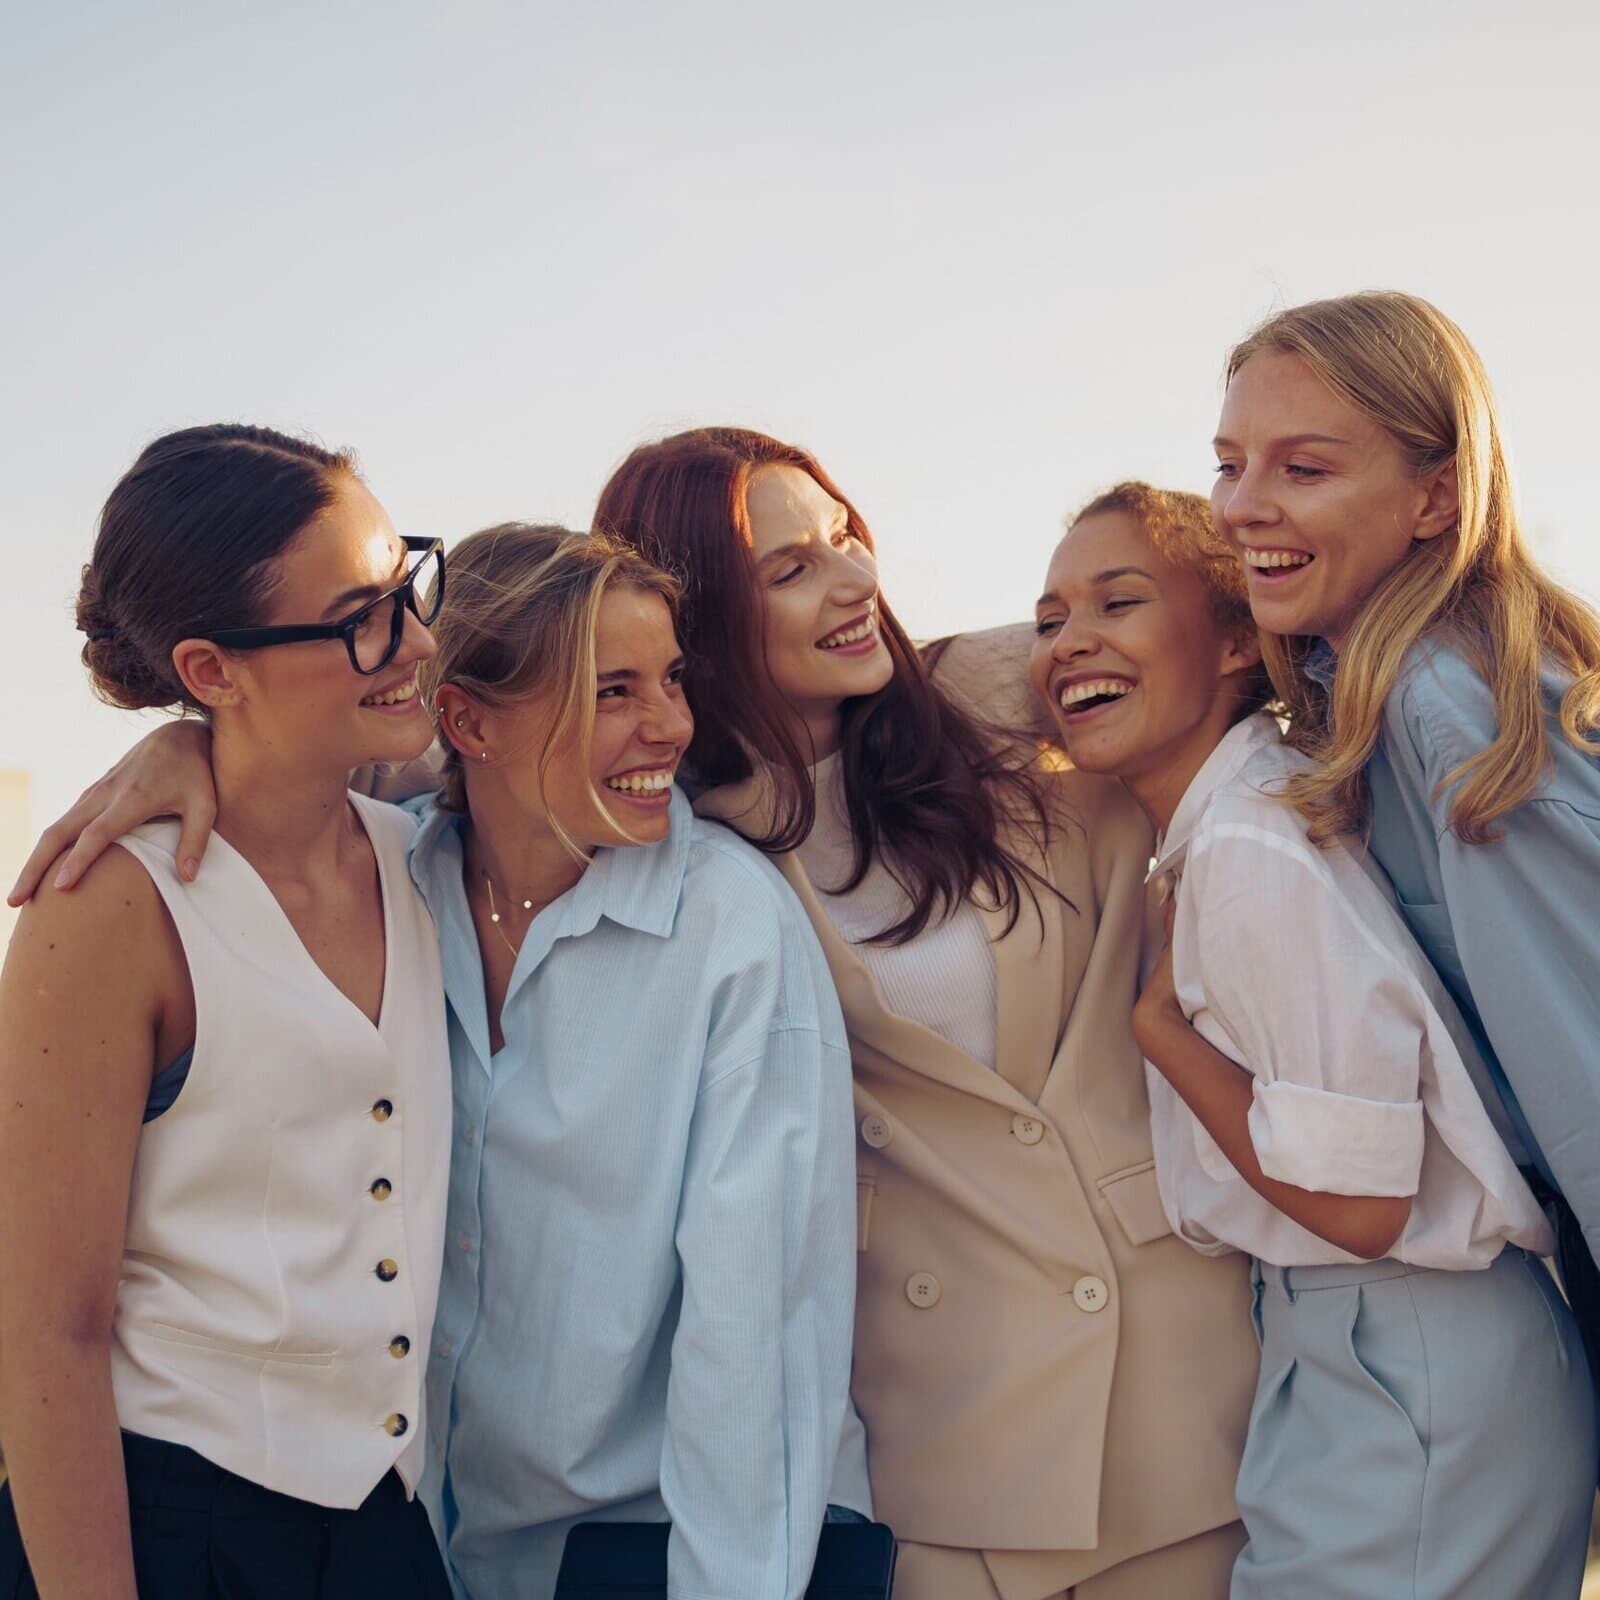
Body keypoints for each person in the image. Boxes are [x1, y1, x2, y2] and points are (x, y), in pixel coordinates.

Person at [20, 519, 871, 1600]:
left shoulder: (731, 934)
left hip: (646, 1557)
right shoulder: (390, 881)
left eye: (671, 678)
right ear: (465, 720)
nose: (670, 725)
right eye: (612, 692)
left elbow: (758, 1348)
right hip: (404, 1549)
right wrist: (182, 741)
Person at [595, 429, 1256, 1600]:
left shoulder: (999, 700)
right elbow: (454, 758)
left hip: (1177, 1402)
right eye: (789, 570)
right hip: (941, 1447)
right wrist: (181, 747)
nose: (853, 582)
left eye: (844, 536)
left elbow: (1215, 623)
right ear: (691, 623)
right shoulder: (674, 843)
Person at [1032, 480, 1595, 1597]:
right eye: (1047, 621)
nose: (1066, 644)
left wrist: (1161, 1030)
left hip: (1404, 1344)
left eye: (1116, 603)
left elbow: (1363, 1204)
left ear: (1239, 637)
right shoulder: (1238, 813)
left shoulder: (1248, 849)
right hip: (1369, 1345)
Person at [0, 425, 455, 1599]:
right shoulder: (106, 907)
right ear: (210, 671)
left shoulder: (429, 863)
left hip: (388, 1536)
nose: (414, 639)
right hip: (163, 1535)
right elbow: (46, 1331)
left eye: (405, 584)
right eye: (360, 615)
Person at [1209, 290, 1600, 1336]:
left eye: (1304, 468)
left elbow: (1584, 1054)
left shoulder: (1449, 703)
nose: (1241, 506)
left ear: (1434, 499)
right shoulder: (1371, 691)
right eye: (1228, 462)